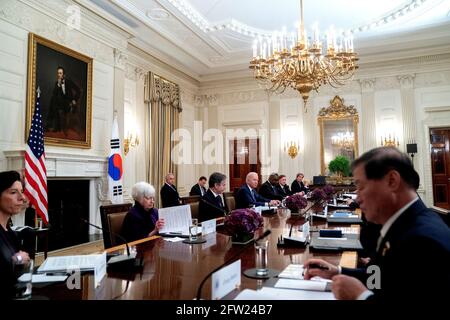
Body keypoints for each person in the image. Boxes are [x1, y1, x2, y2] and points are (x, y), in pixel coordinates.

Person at [303, 147, 450, 300]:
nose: (357, 198)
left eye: (361, 187)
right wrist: (337, 271)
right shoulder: (401, 225)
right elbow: (381, 278)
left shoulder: (423, 242)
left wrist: (361, 296)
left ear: (392, 181)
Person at [0, 171, 31, 299]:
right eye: (13, 192)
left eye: (21, 191)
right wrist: (18, 260)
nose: (22, 198)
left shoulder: (11, 233)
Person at [47, 66, 81, 137]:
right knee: (53, 100)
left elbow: (78, 90)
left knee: (54, 103)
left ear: (63, 75)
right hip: (61, 103)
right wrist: (58, 85)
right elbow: (54, 94)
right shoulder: (57, 83)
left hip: (69, 103)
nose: (59, 75)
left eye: (60, 73)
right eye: (58, 73)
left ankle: (53, 125)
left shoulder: (69, 81)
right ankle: (55, 126)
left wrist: (75, 100)